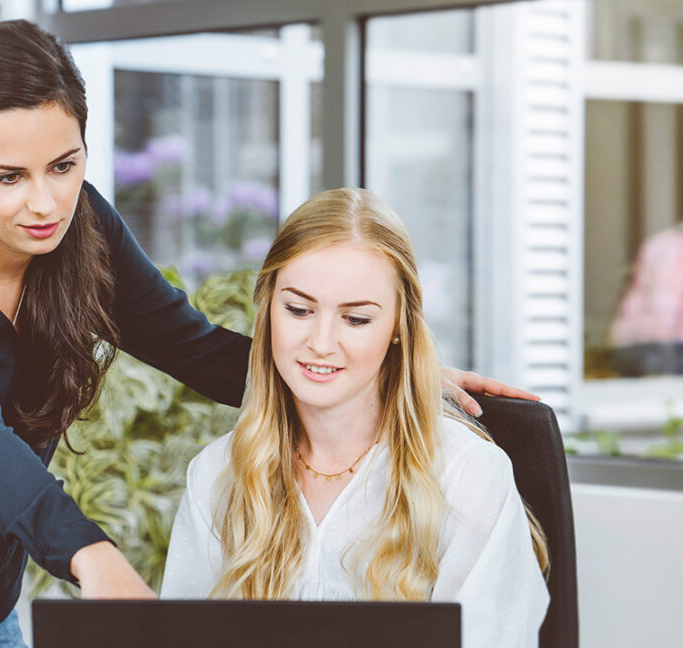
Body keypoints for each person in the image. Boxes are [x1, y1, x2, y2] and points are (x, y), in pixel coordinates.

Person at [0, 20, 535, 648]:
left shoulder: (81, 235)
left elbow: (199, 351)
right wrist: (93, 556)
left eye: (65, 165)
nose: (44, 203)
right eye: (9, 177)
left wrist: (389, 367)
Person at [161, 188, 550, 648]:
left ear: (398, 329)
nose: (322, 342)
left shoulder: (467, 476)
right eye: (299, 310)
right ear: (267, 312)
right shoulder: (217, 474)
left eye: (357, 320)